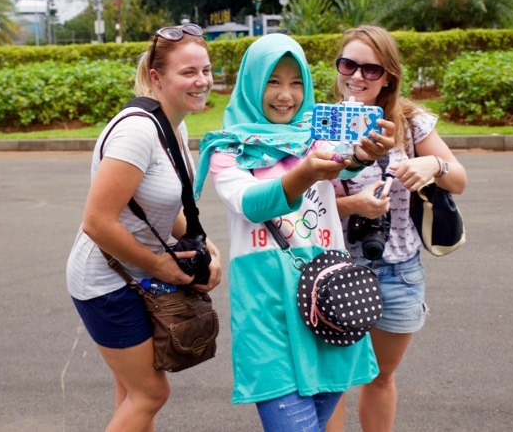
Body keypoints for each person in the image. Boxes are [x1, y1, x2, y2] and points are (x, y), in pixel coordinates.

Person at [193, 33, 383, 432]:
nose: (286, 95)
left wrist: (362, 155)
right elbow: (251, 203)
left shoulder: (315, 137)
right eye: (273, 82)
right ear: (252, 84)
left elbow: (346, 162)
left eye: (296, 82)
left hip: (330, 297)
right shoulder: (227, 149)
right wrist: (308, 171)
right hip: (266, 306)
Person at [66, 23, 222, 431]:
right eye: (188, 72)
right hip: (105, 281)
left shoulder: (175, 123)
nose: (202, 80)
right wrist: (158, 266)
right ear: (157, 77)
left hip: (136, 275)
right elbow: (97, 222)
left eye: (205, 70)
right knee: (151, 394)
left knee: (131, 394)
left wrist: (207, 247)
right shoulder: (137, 132)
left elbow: (163, 207)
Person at [325, 25, 468, 432]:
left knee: (380, 376)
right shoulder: (324, 122)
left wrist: (433, 165)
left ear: (389, 75)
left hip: (399, 270)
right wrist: (355, 204)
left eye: (371, 69)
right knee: (333, 382)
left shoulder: (410, 120)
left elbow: (458, 180)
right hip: (335, 270)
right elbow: (305, 210)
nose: (357, 76)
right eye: (348, 64)